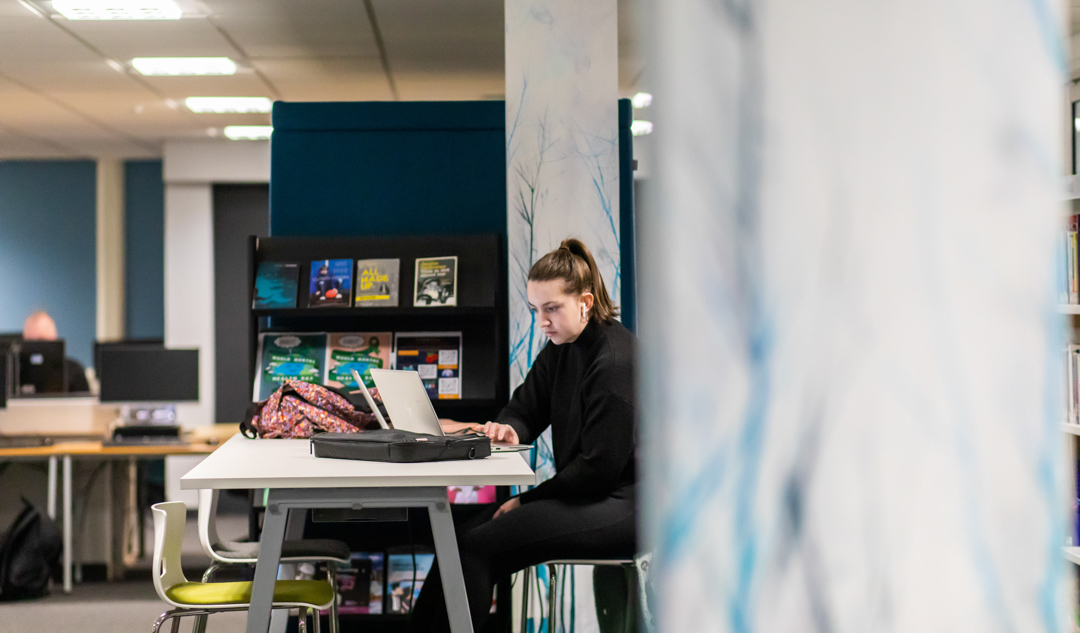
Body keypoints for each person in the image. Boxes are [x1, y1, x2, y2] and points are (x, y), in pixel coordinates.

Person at [408, 238, 636, 632]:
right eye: (536, 310)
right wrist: (510, 427)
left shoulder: (613, 362)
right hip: (588, 496)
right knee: (462, 536)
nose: (542, 321)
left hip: (624, 505)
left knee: (479, 548)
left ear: (584, 301)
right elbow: (528, 405)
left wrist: (525, 501)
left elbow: (597, 471)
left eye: (552, 309)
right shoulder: (563, 346)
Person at [22, 310, 91, 393]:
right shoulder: (14, 373)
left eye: (42, 340)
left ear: (54, 337)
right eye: (31, 341)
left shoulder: (74, 371)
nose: (37, 347)